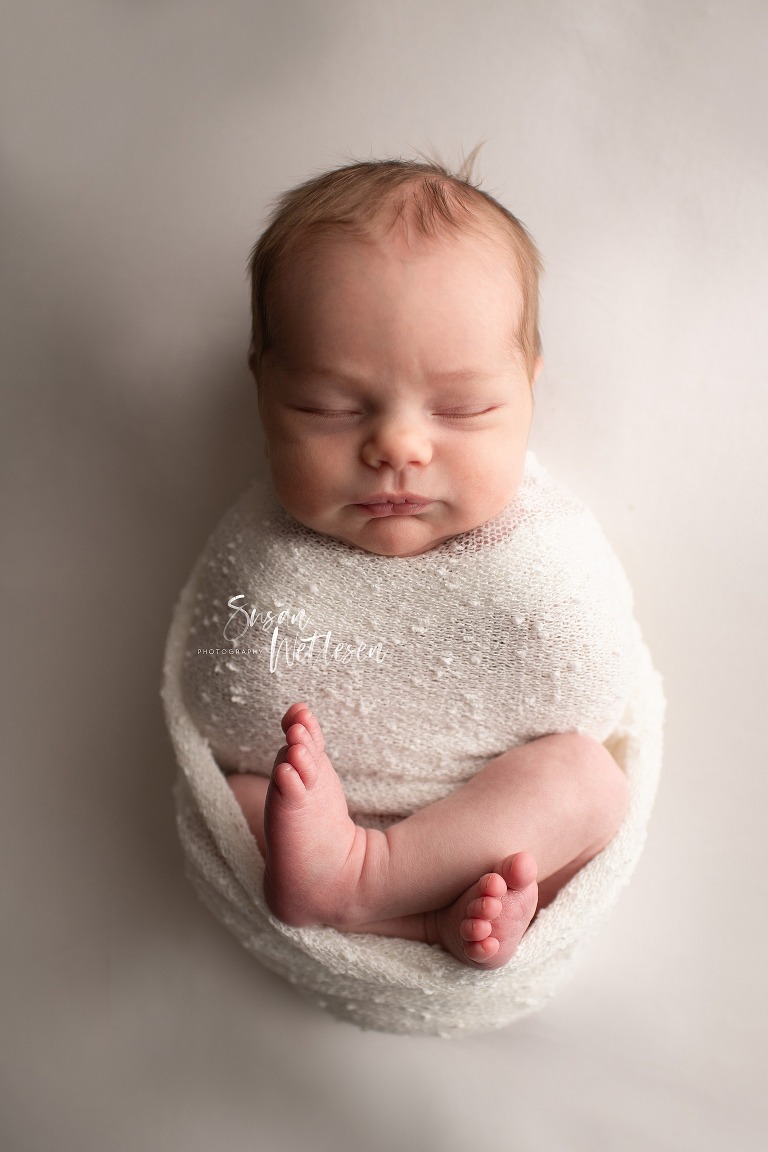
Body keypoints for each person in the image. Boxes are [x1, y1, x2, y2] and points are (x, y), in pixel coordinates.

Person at [181, 158, 638, 971]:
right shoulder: (268, 561)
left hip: (486, 832)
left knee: (590, 783)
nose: (397, 447)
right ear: (263, 390)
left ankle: (371, 882)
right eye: (329, 409)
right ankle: (410, 917)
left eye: (462, 408)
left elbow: (594, 696)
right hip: (310, 824)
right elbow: (220, 710)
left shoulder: (540, 558)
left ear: (529, 389)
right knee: (236, 798)